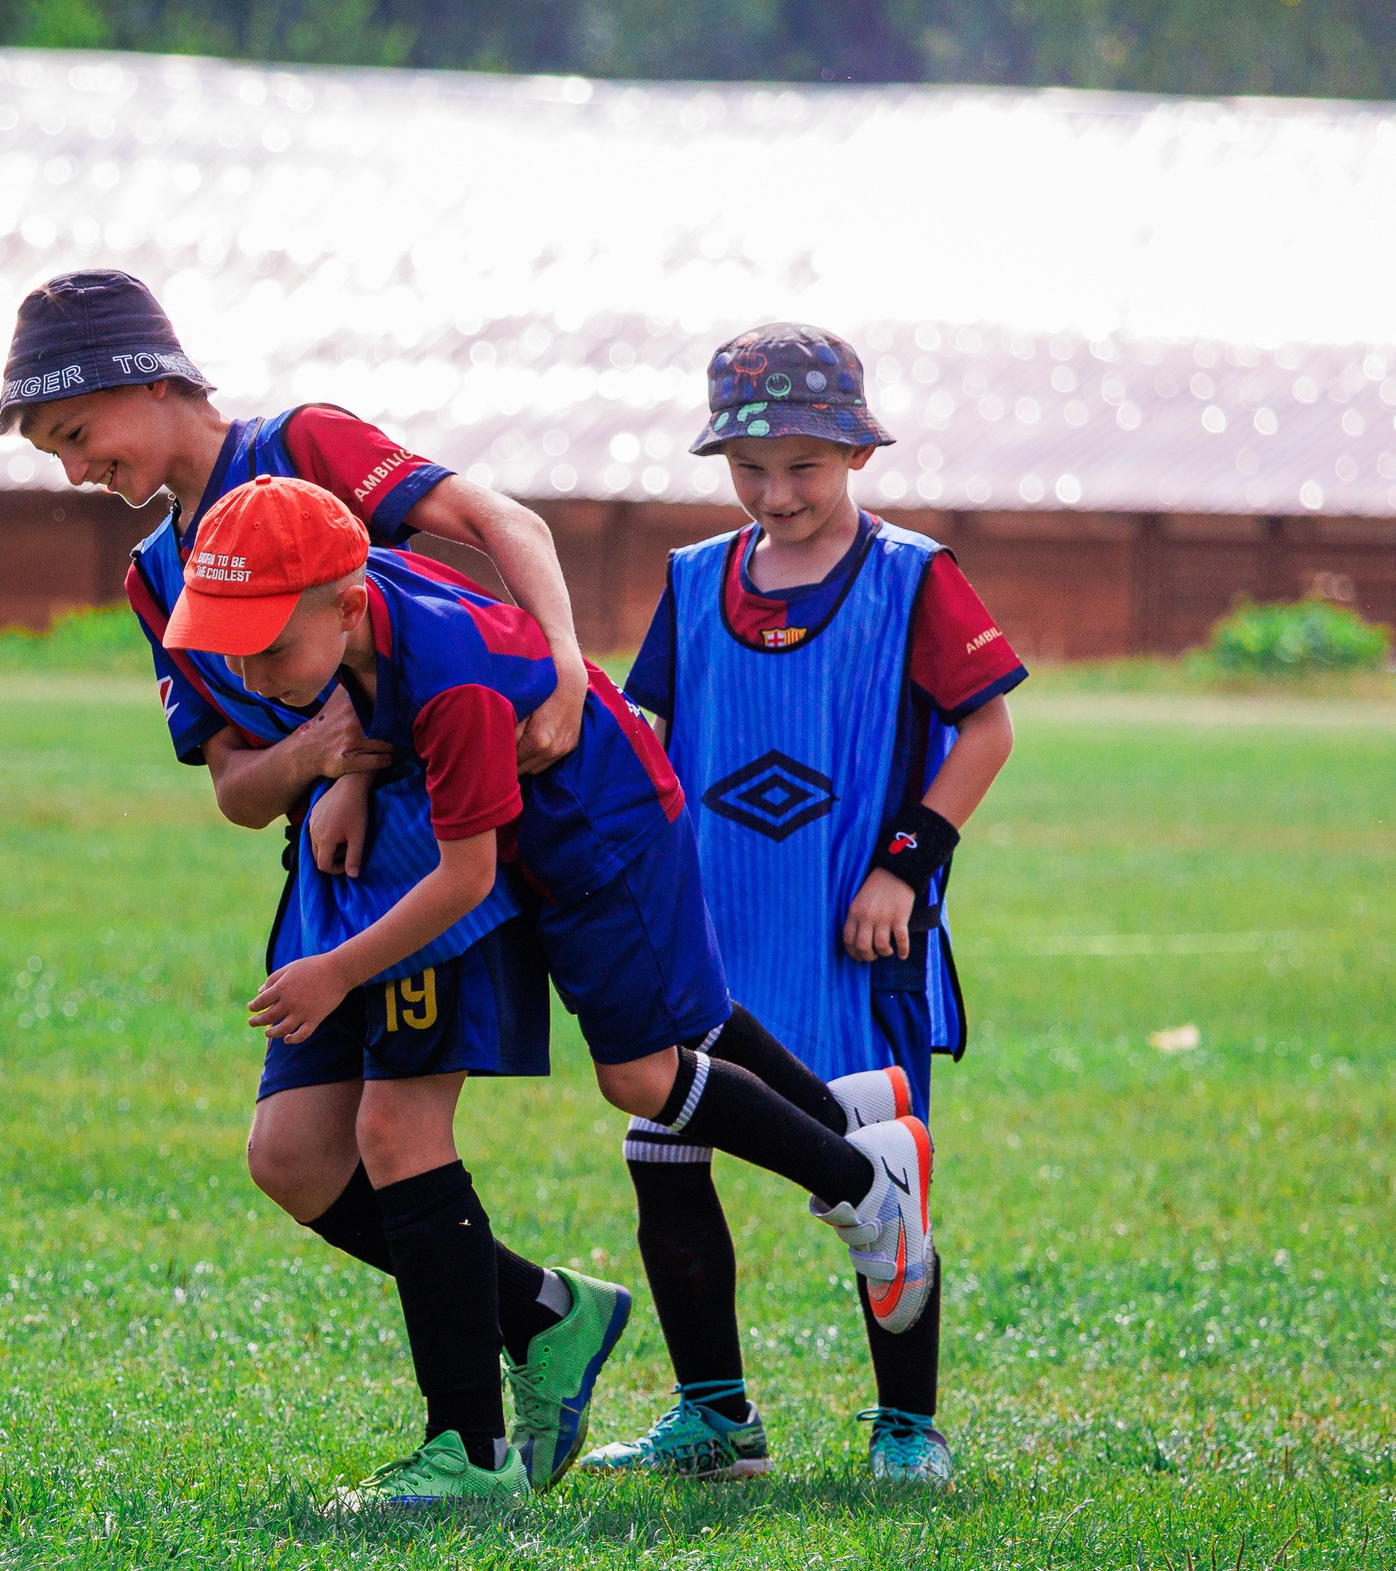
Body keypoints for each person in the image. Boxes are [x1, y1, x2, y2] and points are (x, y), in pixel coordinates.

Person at [167, 476, 939, 1488]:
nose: (250, 671)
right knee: (672, 1049)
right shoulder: (362, 605)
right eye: (228, 644)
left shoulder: (452, 681)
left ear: (343, 604)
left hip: (601, 835)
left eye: (267, 647)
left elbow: (464, 876)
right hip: (546, 839)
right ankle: (857, 1147)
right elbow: (364, 689)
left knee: (641, 1075)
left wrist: (334, 973)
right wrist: (347, 771)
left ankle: (861, 1181)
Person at [1, 274, 629, 1500]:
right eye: (54, 455)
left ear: (152, 376)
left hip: (432, 851)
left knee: (398, 1130)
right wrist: (317, 759)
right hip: (324, 872)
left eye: (79, 436)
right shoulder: (151, 579)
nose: (76, 468)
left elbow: (508, 524)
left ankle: (469, 1450)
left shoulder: (304, 447)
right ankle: (548, 1311)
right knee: (292, 1159)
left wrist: (557, 669)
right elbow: (236, 788)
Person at [589, 323, 1023, 1484]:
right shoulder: (692, 580)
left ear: (858, 456)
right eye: (750, 469)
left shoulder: (911, 574)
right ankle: (715, 1419)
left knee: (875, 1170)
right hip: (711, 941)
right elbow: (649, 742)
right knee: (662, 1156)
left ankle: (907, 1428)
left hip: (849, 933)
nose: (775, 494)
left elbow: (987, 725)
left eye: (804, 468)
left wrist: (904, 864)